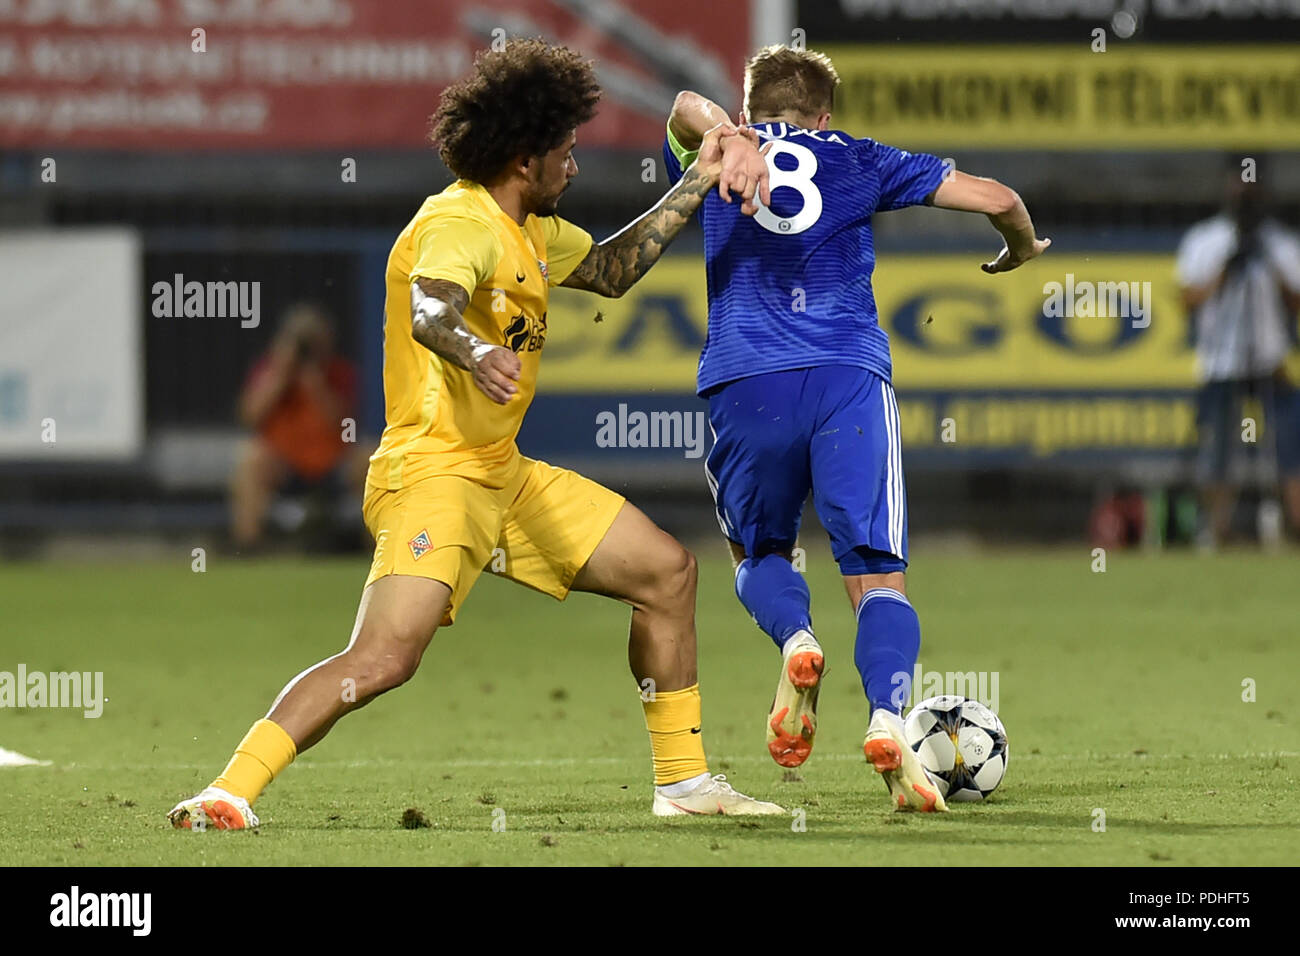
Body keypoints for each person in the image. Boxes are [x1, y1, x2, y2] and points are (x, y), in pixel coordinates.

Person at [169, 39, 781, 829]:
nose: (575, 166)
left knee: (665, 574)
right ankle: (229, 791)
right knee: (385, 659)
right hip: (434, 473)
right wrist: (477, 346)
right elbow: (430, 309)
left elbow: (614, 270)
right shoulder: (460, 220)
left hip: (503, 473)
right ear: (525, 158)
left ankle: (684, 785)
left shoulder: (531, 228)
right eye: (565, 151)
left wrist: (699, 178)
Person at [665, 46, 1049, 811]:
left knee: (758, 551)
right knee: (877, 573)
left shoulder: (718, 151)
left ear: (751, 102)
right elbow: (998, 194)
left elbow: (682, 104)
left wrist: (726, 131)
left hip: (748, 378)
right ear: (825, 116)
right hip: (848, 379)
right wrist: (1021, 248)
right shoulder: (864, 158)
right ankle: (885, 718)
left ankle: (798, 641)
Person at [1176, 159, 1300, 547]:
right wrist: (1226, 269)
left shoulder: (1279, 243)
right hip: (1221, 360)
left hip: (1269, 358)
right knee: (1217, 448)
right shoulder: (1206, 240)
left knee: (1290, 446)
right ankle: (1216, 530)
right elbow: (1187, 298)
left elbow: (1296, 300)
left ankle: (1292, 527)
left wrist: (1268, 264)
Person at [229, 304, 367, 550]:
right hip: (285, 463)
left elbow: (346, 424)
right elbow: (249, 416)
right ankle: (248, 546)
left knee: (370, 458)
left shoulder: (339, 373)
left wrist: (315, 383)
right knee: (251, 460)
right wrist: (280, 376)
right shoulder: (271, 371)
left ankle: (375, 546)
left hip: (332, 462)